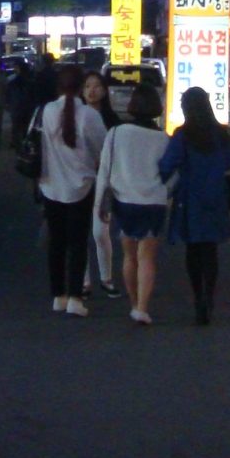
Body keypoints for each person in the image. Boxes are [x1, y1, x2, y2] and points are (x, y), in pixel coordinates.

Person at [32, 64, 108, 316]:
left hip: (51, 185)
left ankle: (58, 295)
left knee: (56, 243)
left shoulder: (46, 111)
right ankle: (76, 296)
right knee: (78, 243)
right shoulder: (89, 116)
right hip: (82, 186)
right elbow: (102, 149)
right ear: (80, 88)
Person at [95, 83, 171, 323]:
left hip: (124, 200)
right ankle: (142, 307)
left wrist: (99, 204)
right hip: (154, 202)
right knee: (147, 256)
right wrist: (164, 191)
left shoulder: (117, 133)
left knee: (129, 255)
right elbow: (173, 173)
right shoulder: (163, 139)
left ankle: (133, 301)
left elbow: (104, 170)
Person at [160, 86, 230, 325]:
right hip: (215, 197)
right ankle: (209, 296)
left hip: (190, 197)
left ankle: (197, 297)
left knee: (193, 250)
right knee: (210, 250)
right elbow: (228, 163)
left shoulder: (183, 134)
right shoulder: (221, 134)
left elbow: (167, 165)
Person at [80, 69, 121, 293]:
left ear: (104, 91)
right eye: (87, 86)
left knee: (100, 231)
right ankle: (85, 280)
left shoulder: (112, 120)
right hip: (81, 180)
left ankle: (106, 278)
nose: (92, 91)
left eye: (96, 86)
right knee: (81, 232)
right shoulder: (77, 117)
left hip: (104, 182)